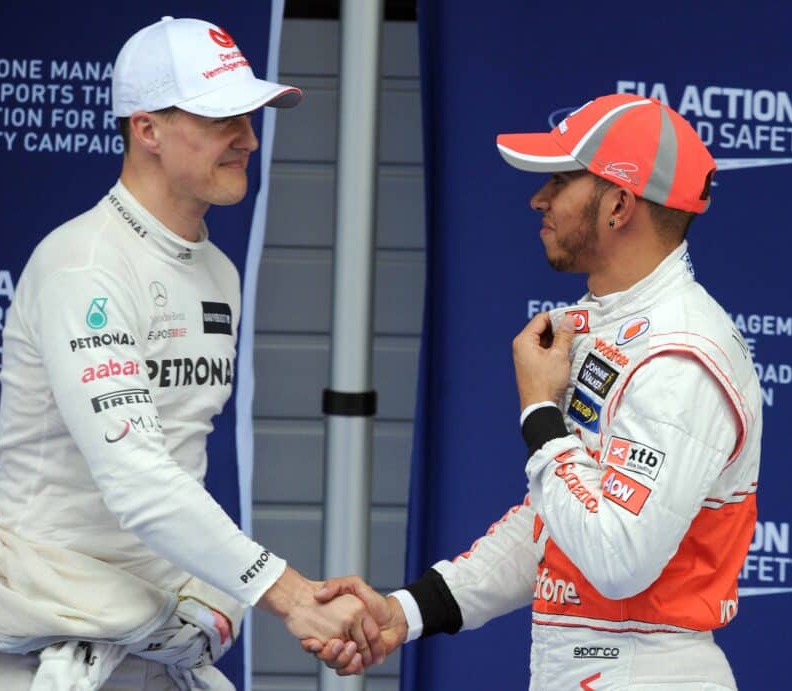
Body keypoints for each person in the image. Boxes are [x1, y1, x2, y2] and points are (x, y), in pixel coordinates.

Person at [307, 93, 762, 690]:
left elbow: (617, 559)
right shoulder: (609, 326)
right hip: (592, 665)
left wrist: (540, 414)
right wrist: (406, 612)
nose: (538, 199)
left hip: (646, 670)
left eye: (561, 180)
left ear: (619, 205)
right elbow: (557, 524)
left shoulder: (680, 357)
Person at [0, 16, 381, 690]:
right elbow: (137, 477)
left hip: (159, 642)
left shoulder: (217, 273)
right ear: (146, 129)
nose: (249, 139)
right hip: (41, 651)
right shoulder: (83, 265)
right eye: (223, 119)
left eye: (250, 116)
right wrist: (291, 595)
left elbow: (178, 462)